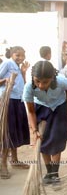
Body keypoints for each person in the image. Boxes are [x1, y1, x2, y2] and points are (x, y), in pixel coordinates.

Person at [23, 60, 67, 184]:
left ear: (52, 78)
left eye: (45, 82)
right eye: (37, 81)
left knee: (56, 141)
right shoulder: (28, 87)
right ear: (33, 78)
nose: (40, 85)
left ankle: (55, 174)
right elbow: (31, 111)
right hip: (41, 109)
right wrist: (34, 130)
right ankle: (49, 171)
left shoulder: (61, 81)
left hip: (59, 108)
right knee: (42, 141)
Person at [0, 46, 30, 179]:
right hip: (7, 100)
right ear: (11, 55)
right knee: (7, 131)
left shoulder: (18, 67)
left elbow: (23, 84)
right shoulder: (7, 64)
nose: (21, 58)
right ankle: (3, 164)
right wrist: (5, 80)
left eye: (22, 55)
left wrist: (23, 73)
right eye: (17, 55)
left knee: (16, 130)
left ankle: (15, 160)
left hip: (18, 100)